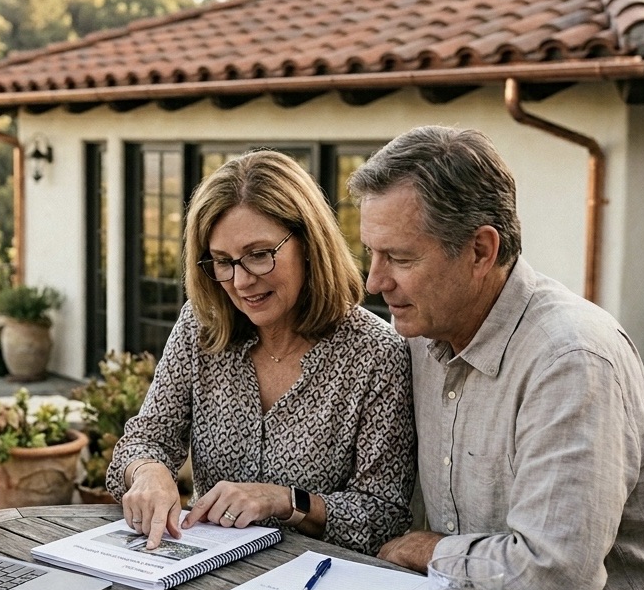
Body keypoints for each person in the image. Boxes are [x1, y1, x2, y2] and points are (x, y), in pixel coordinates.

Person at [349, 125, 644, 590]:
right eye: (371, 253)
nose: (375, 282)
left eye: (399, 257)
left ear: (481, 250)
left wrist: (434, 550)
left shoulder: (571, 361)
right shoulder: (426, 329)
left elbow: (553, 580)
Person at [107, 149, 415, 555]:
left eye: (258, 254)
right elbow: (145, 439)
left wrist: (286, 501)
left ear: (308, 243)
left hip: (316, 586)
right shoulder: (200, 329)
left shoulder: (377, 355)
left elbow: (384, 515)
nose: (241, 281)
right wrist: (147, 472)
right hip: (205, 572)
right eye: (222, 261)